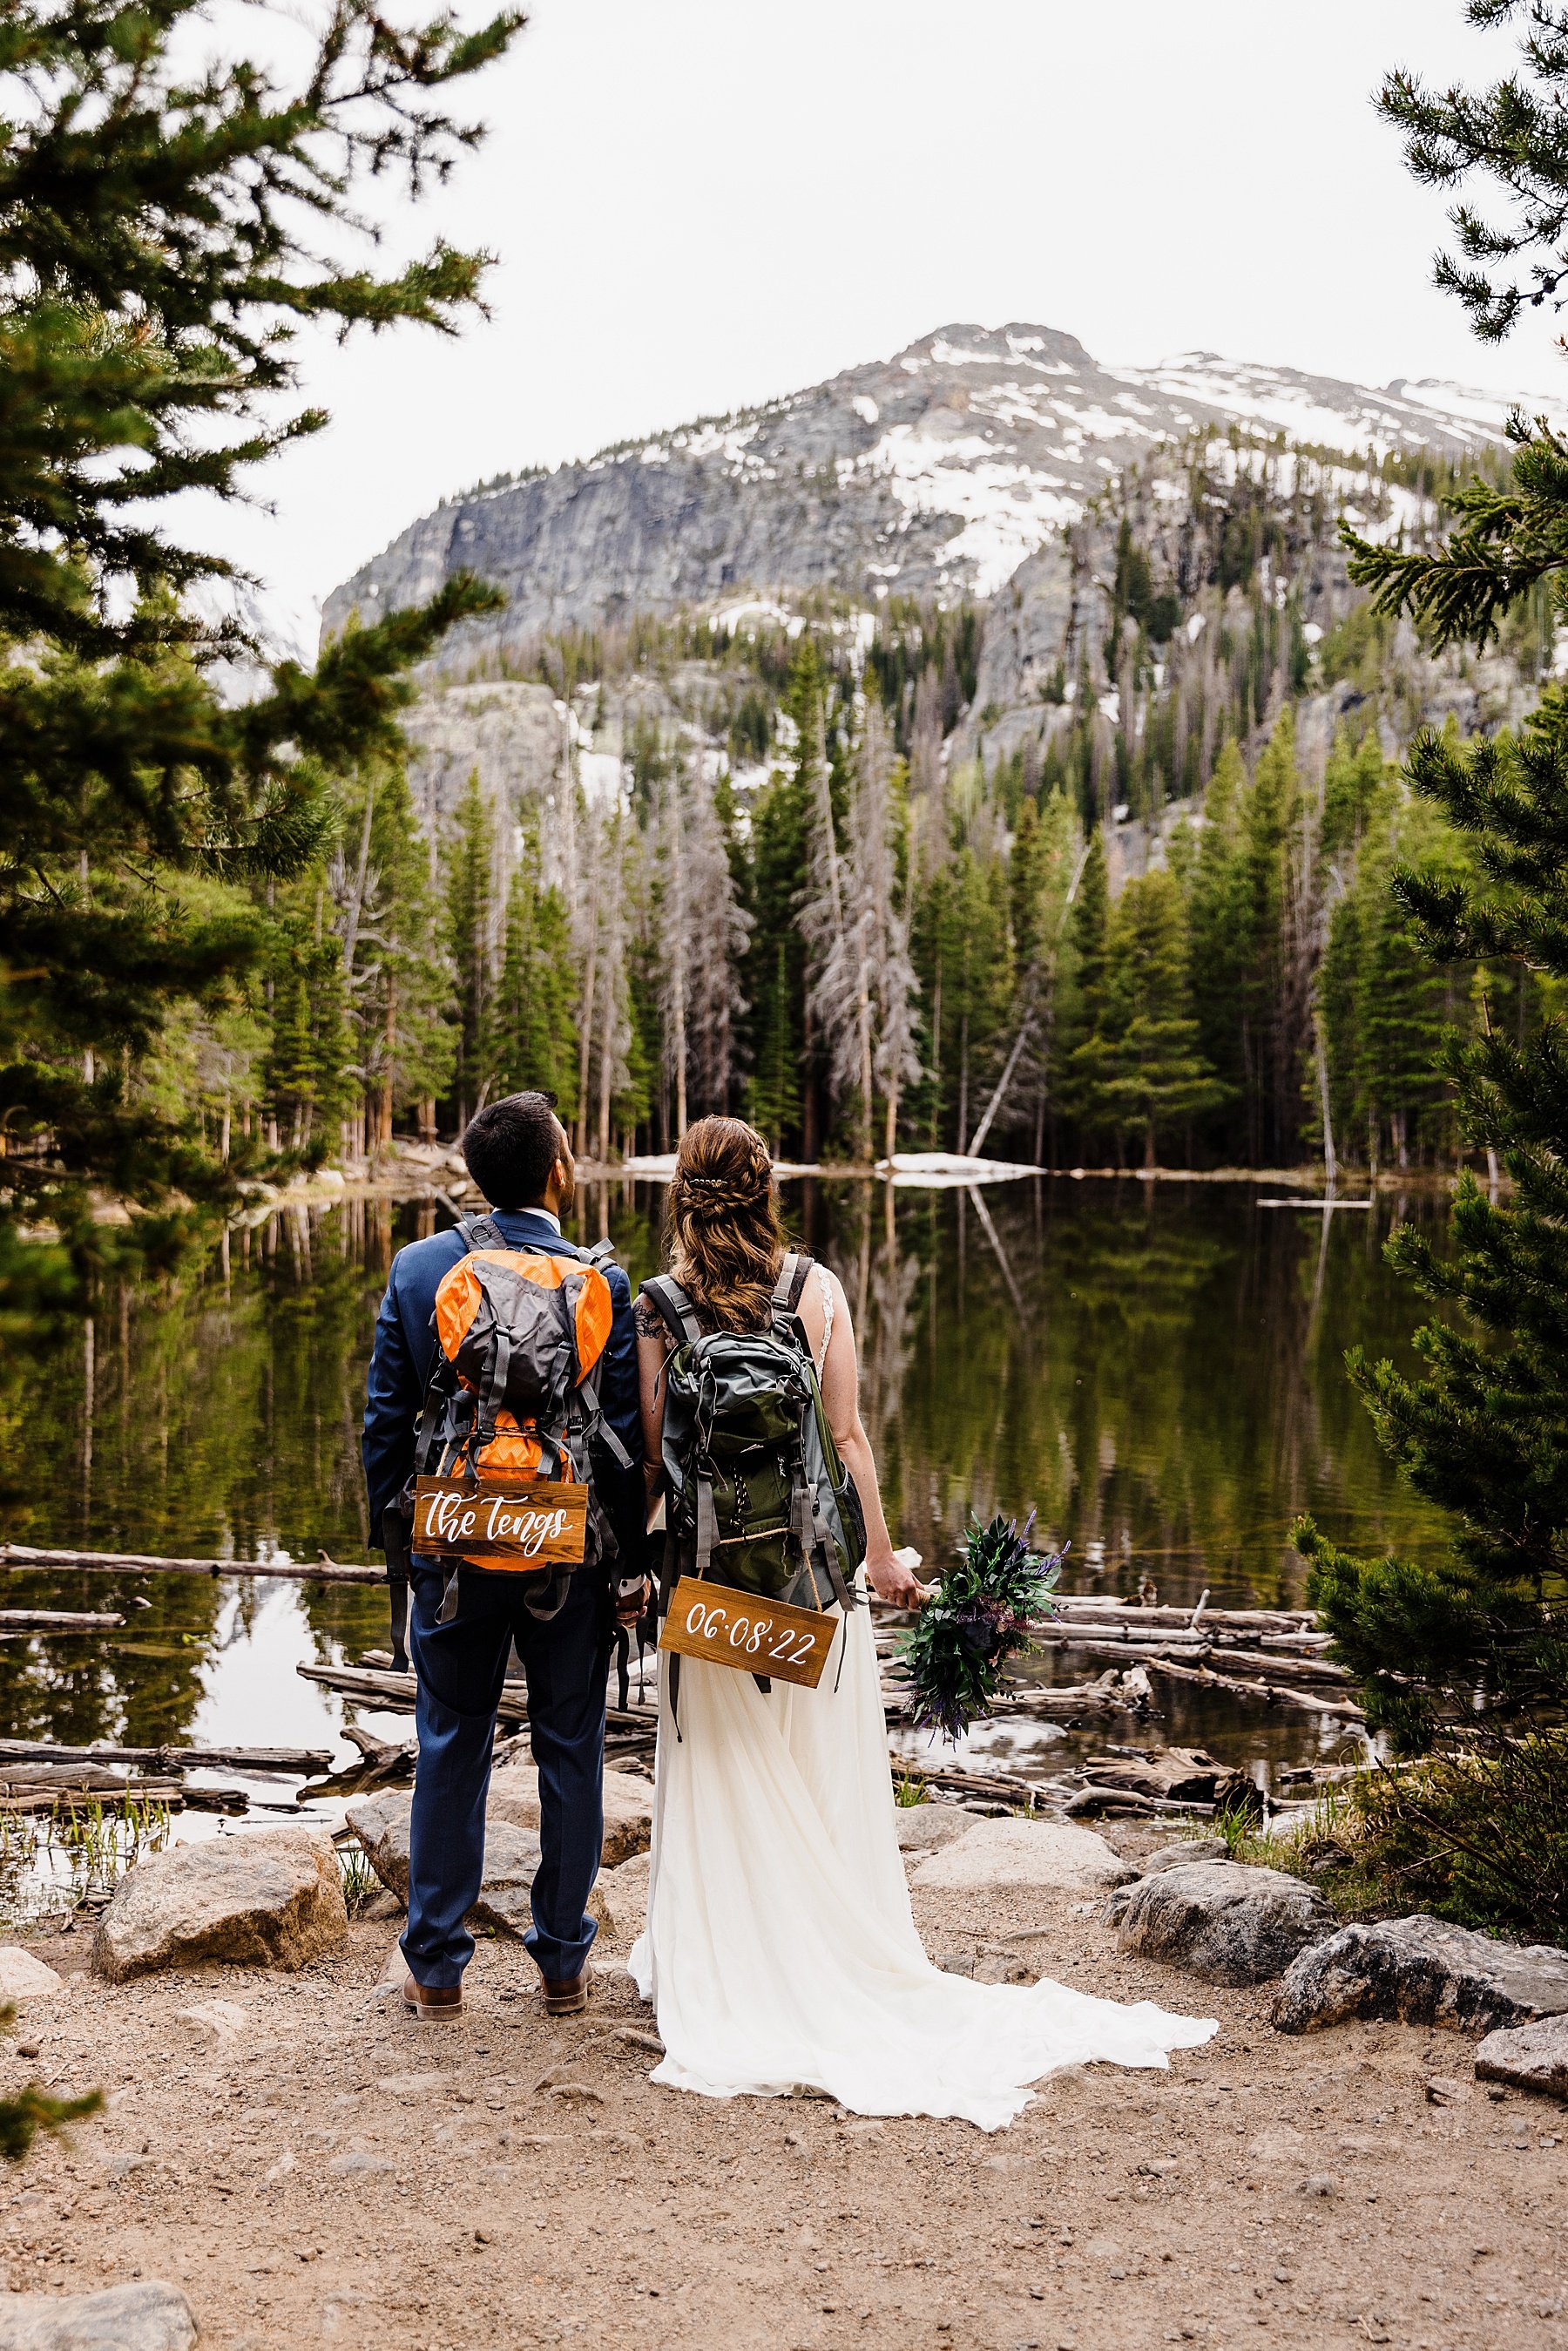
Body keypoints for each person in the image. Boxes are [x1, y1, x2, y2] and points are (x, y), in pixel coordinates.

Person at [630, 1115, 1215, 2129]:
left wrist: (641, 1575)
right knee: (820, 1785)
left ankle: (724, 1955)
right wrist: (884, 1556)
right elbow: (848, 1437)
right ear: (769, 1193)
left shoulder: (656, 1310)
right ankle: (836, 1954)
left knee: (723, 1778)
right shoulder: (815, 1290)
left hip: (713, 1597)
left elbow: (654, 1471)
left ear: (680, 1195)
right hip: (813, 1588)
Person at [362, 1092, 645, 2020]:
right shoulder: (602, 1277)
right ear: (559, 1172)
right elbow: (628, 1441)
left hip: (454, 1537)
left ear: (475, 1178)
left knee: (452, 1738)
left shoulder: (418, 1267)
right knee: (571, 1745)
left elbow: (384, 1422)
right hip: (571, 1546)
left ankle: (436, 1968)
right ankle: (563, 1964)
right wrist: (633, 1560)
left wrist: (399, 1543)